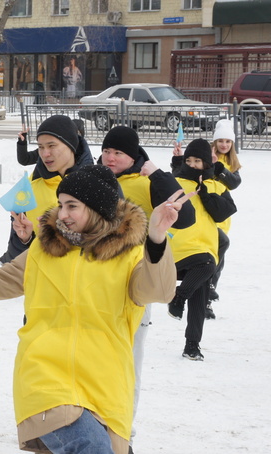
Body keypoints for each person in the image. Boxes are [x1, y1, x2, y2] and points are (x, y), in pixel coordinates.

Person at [0, 165, 185, 454]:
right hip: (46, 381)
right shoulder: (43, 251)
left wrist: (156, 239)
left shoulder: (129, 256)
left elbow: (161, 291)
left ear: (97, 208)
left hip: (106, 387)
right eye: (61, 204)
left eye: (72, 206)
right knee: (90, 446)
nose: (62, 213)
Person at [98, 126, 194, 452]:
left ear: (134, 156)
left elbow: (187, 216)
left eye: (119, 153)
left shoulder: (145, 183)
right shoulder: (98, 178)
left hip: (135, 286)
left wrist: (158, 172)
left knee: (129, 364)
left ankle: (124, 431)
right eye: (107, 151)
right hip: (96, 284)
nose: (111, 158)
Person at [167, 139, 237, 361]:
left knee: (201, 294)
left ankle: (192, 346)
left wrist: (204, 192)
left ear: (207, 162)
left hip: (204, 248)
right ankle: (178, 298)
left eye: (198, 160)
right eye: (189, 160)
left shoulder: (216, 185)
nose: (193, 164)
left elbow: (224, 212)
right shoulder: (175, 183)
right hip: (179, 248)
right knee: (208, 264)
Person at [0, 115, 91, 265]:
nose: (45, 154)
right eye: (41, 147)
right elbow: (16, 249)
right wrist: (25, 240)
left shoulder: (96, 183)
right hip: (40, 278)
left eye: (51, 146)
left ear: (71, 145)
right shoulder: (30, 186)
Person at [207, 119, 242, 319]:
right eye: (220, 140)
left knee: (219, 257)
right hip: (206, 213)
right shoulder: (206, 157)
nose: (224, 145)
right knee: (211, 254)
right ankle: (205, 291)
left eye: (228, 141)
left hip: (222, 216)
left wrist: (219, 166)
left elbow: (234, 182)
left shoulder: (232, 164)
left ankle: (208, 298)